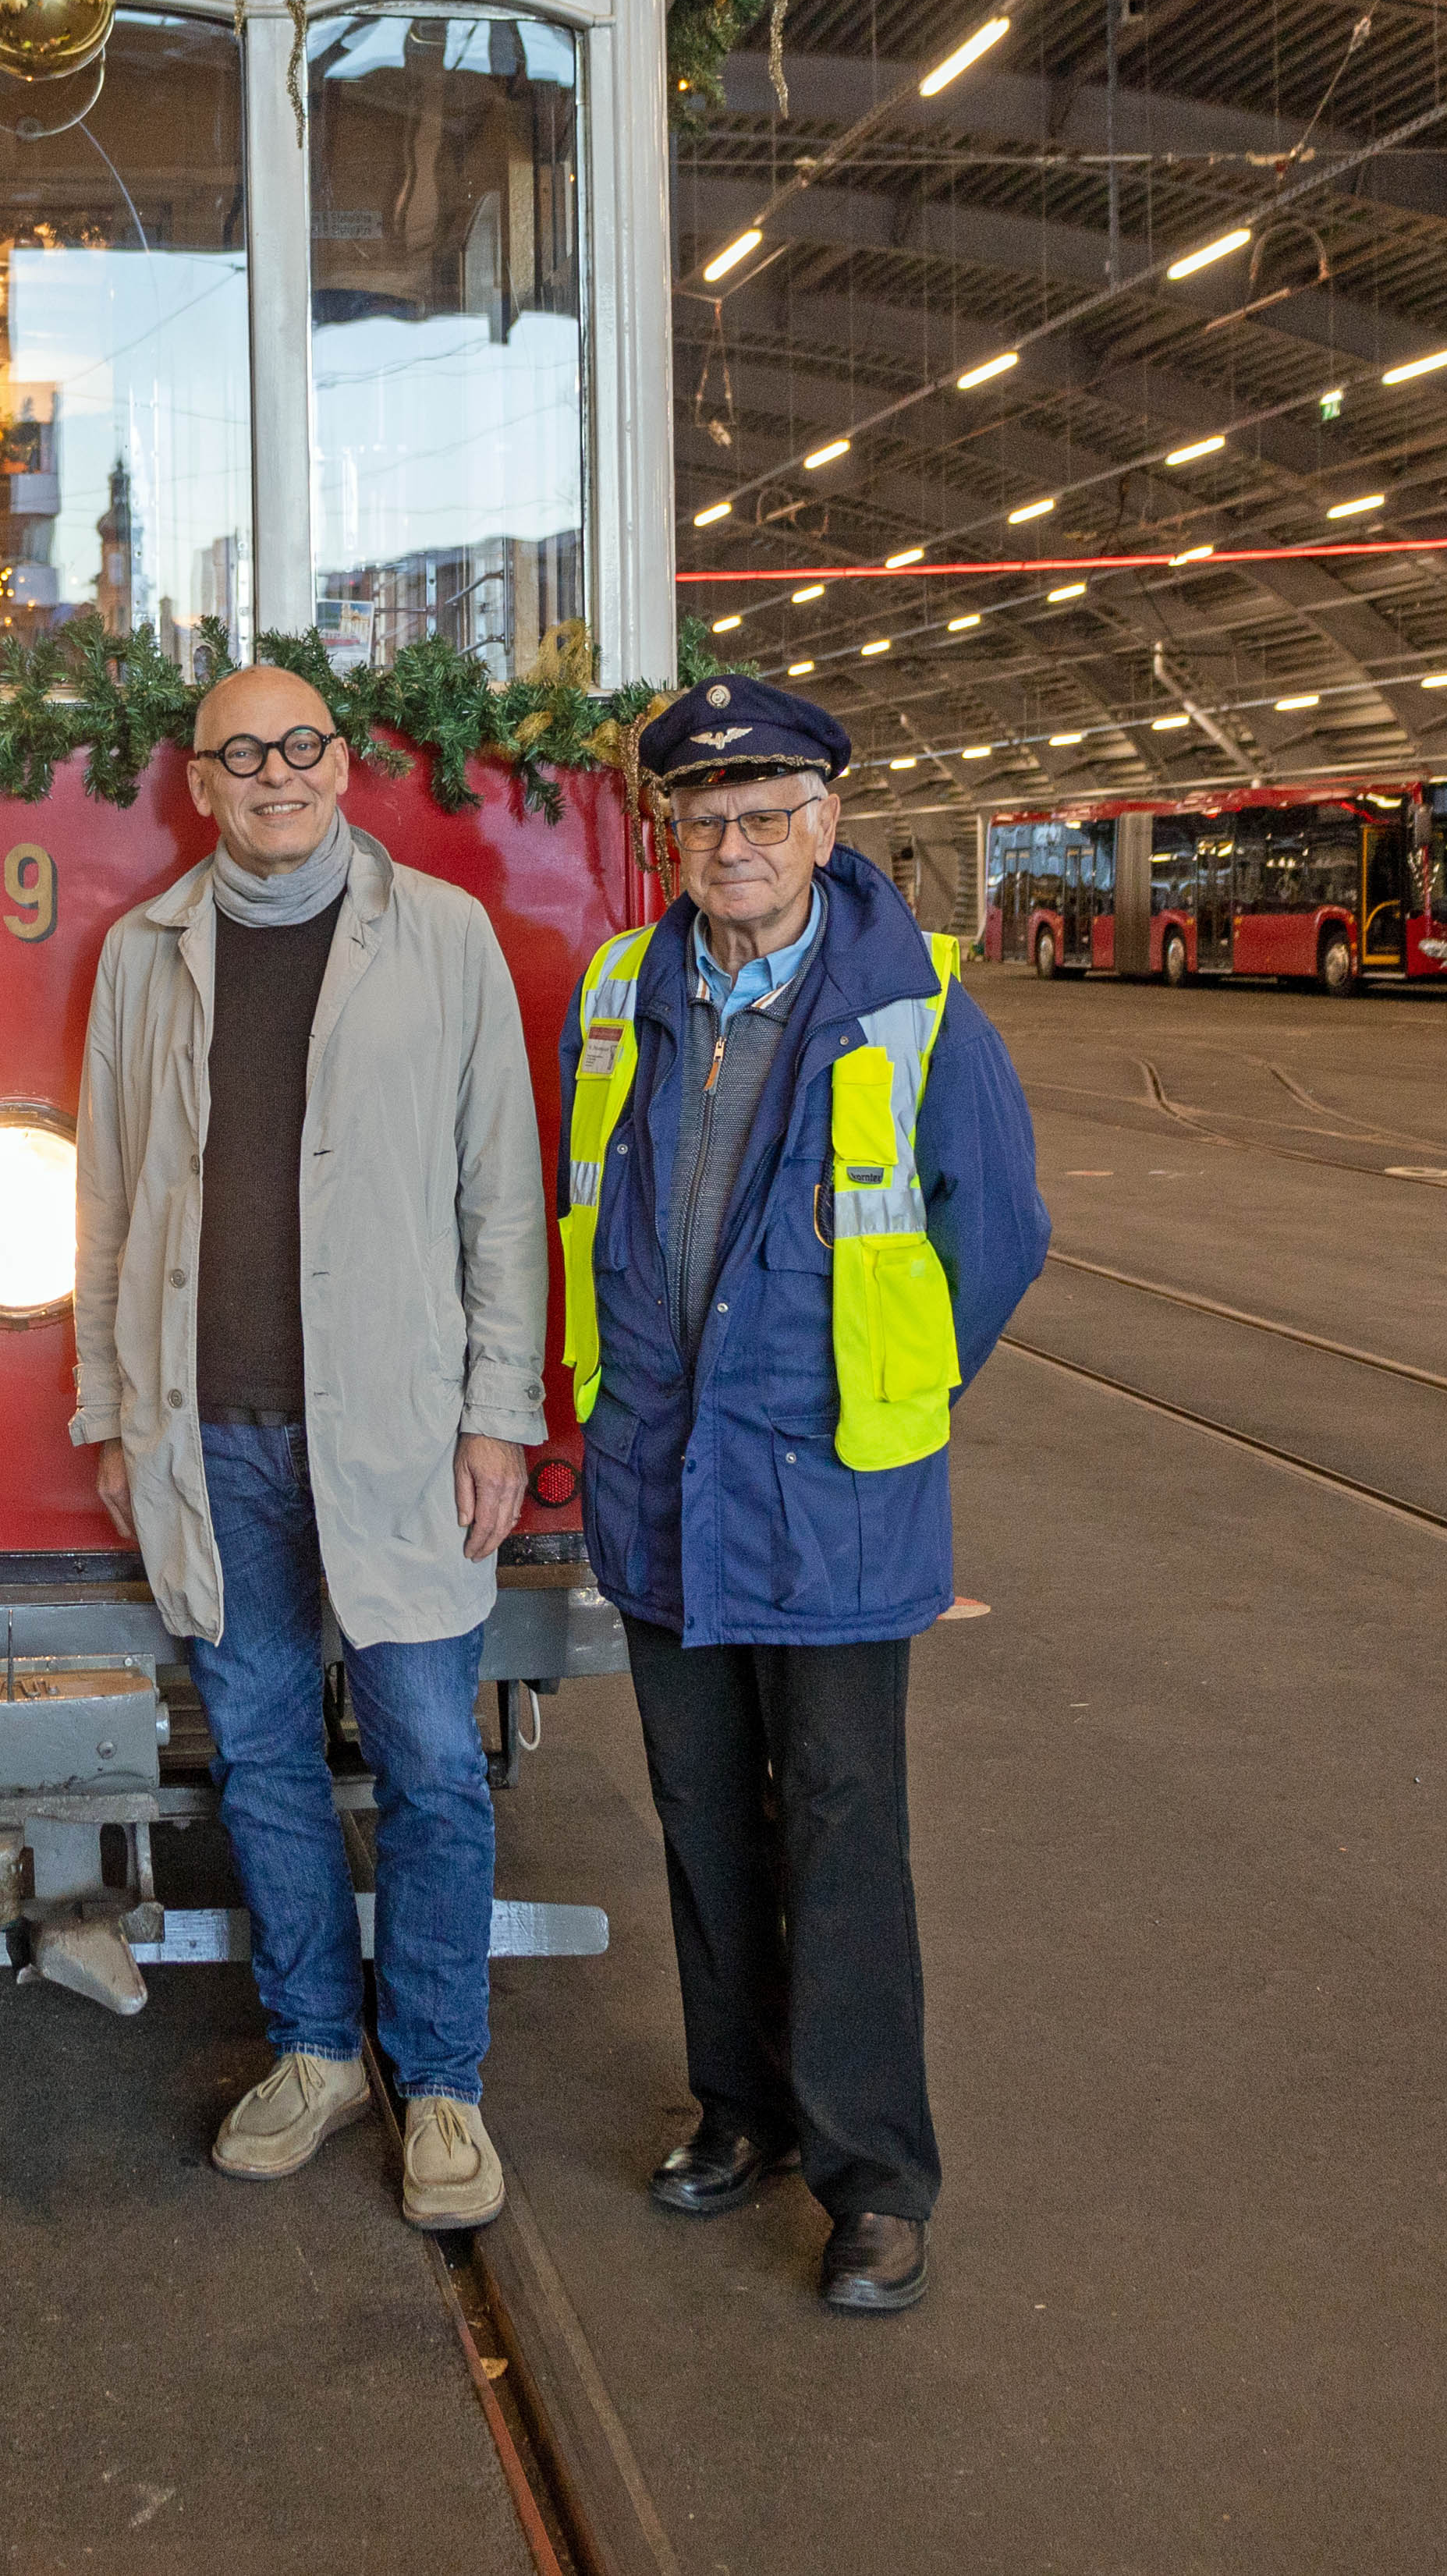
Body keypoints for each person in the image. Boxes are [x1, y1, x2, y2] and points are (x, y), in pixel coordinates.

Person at [556, 679, 1048, 2316]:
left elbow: (997, 1235)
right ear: (670, 837)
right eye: (704, 818)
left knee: (841, 1828)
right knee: (701, 1812)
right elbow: (590, 1212)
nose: (735, 845)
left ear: (826, 824)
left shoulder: (914, 1008)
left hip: (830, 1491)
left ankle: (874, 2177)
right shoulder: (620, 992)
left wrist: (885, 1394)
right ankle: (741, 2110)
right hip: (662, 1476)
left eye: (766, 814)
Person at [70, 664, 552, 2232]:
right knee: (265, 1757)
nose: (275, 772)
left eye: (301, 745)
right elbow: (105, 1195)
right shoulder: (144, 953)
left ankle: (442, 2079)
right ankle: (315, 2049)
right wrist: (107, 1409)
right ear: (198, 783)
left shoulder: (445, 938)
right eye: (242, 753)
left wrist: (499, 1411)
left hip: (401, 1428)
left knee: (431, 1761)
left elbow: (500, 1190)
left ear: (344, 766)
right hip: (208, 1430)